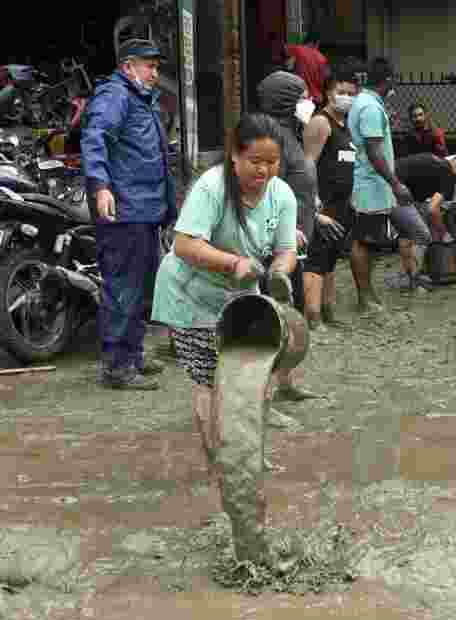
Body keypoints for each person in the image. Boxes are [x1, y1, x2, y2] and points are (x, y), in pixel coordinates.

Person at [151, 113, 297, 567]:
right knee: (209, 381)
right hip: (192, 294)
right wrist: (234, 263)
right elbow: (185, 244)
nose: (263, 171)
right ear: (235, 155)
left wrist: (279, 270)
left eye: (272, 163)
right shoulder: (213, 188)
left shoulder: (282, 194)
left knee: (256, 372)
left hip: (243, 294)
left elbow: (287, 248)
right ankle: (224, 464)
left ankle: (245, 451)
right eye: (255, 161)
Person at [81, 38, 177, 390]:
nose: (155, 73)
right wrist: (101, 187)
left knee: (140, 287)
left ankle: (132, 354)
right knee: (123, 287)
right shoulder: (115, 96)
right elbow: (95, 139)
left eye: (156, 66)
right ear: (128, 66)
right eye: (149, 66)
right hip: (125, 211)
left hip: (145, 208)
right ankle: (117, 367)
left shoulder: (139, 99)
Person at [255, 70, 333, 409]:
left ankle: (285, 382)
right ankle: (263, 396)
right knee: (274, 318)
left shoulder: (289, 132)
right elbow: (263, 190)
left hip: (296, 242)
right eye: (302, 95)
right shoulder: (271, 137)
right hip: (278, 246)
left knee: (292, 315)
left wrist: (310, 215)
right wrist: (281, 230)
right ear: (285, 100)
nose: (309, 101)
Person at [347, 57, 420, 312]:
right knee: (364, 242)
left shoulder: (366, 103)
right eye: (394, 80)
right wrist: (396, 183)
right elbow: (374, 151)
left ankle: (367, 295)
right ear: (388, 80)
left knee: (370, 241)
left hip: (371, 185)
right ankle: (365, 299)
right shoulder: (370, 108)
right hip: (370, 186)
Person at [303, 63, 360, 328]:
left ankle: (327, 310)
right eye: (341, 91)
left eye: (351, 92)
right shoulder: (320, 123)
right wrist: (312, 199)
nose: (346, 97)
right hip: (323, 203)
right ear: (328, 93)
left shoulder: (343, 126)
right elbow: (308, 163)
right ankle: (312, 316)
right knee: (316, 259)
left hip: (342, 203)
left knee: (330, 260)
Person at [285, 31, 328, 107]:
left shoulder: (298, 50)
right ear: (315, 43)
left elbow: (284, 48)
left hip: (299, 96)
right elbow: (325, 78)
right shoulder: (322, 58)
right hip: (316, 98)